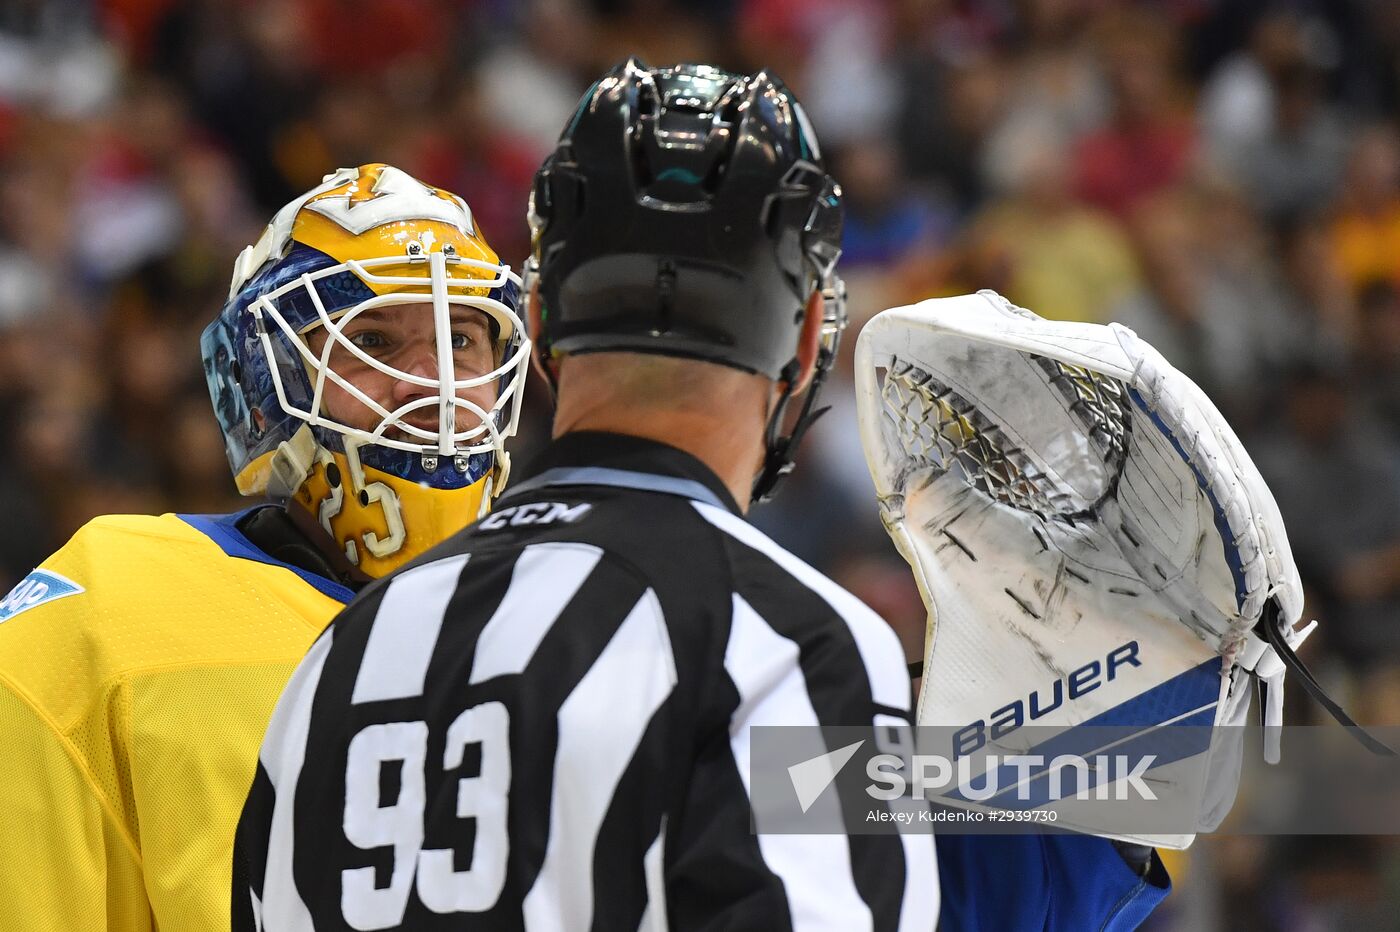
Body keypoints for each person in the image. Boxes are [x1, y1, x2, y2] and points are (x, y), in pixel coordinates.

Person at [232, 61, 937, 930]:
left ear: (537, 326)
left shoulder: (340, 656)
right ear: (807, 334)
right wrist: (1103, 775)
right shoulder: (793, 642)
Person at [0, 162, 529, 930]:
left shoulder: (595, 610)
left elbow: (758, 855)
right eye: (371, 339)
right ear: (269, 379)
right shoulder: (110, 614)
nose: (431, 384)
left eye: (462, 338)